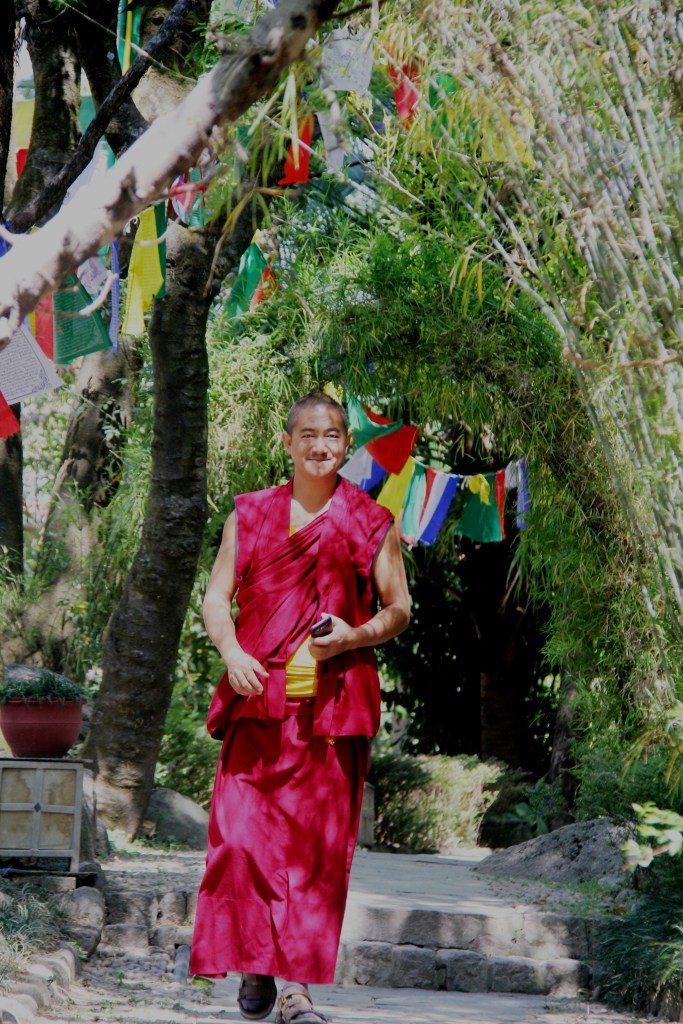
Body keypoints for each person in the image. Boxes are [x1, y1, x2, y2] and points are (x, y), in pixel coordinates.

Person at [190, 391, 411, 1023]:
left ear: (347, 445)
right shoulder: (251, 515)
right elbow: (216, 596)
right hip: (258, 703)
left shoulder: (371, 520)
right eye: (309, 434)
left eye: (334, 435)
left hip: (329, 713)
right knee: (240, 845)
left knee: (315, 857)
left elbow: (399, 609)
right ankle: (255, 963)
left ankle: (295, 990)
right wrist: (231, 649)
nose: (321, 445)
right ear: (287, 443)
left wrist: (354, 635)